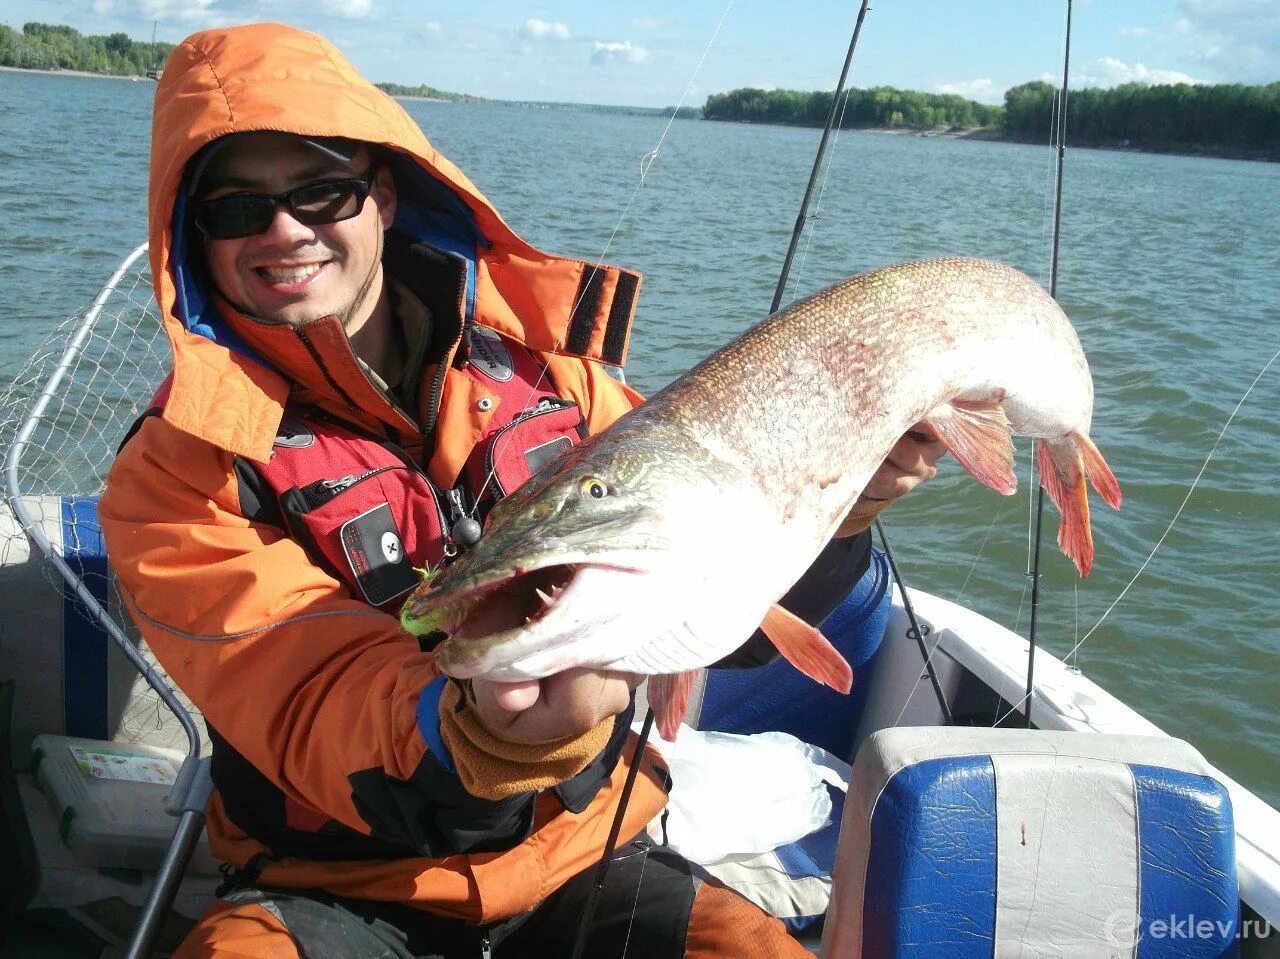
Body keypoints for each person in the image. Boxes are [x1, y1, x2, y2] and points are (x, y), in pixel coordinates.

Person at [99, 22, 946, 959]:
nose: (284, 231)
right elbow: (311, 699)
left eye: (321, 190)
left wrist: (837, 503)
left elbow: (718, 590)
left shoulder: (558, 375)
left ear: (382, 193)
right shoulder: (174, 475)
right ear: (192, 235)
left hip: (590, 851)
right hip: (343, 889)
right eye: (234, 209)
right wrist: (482, 733)